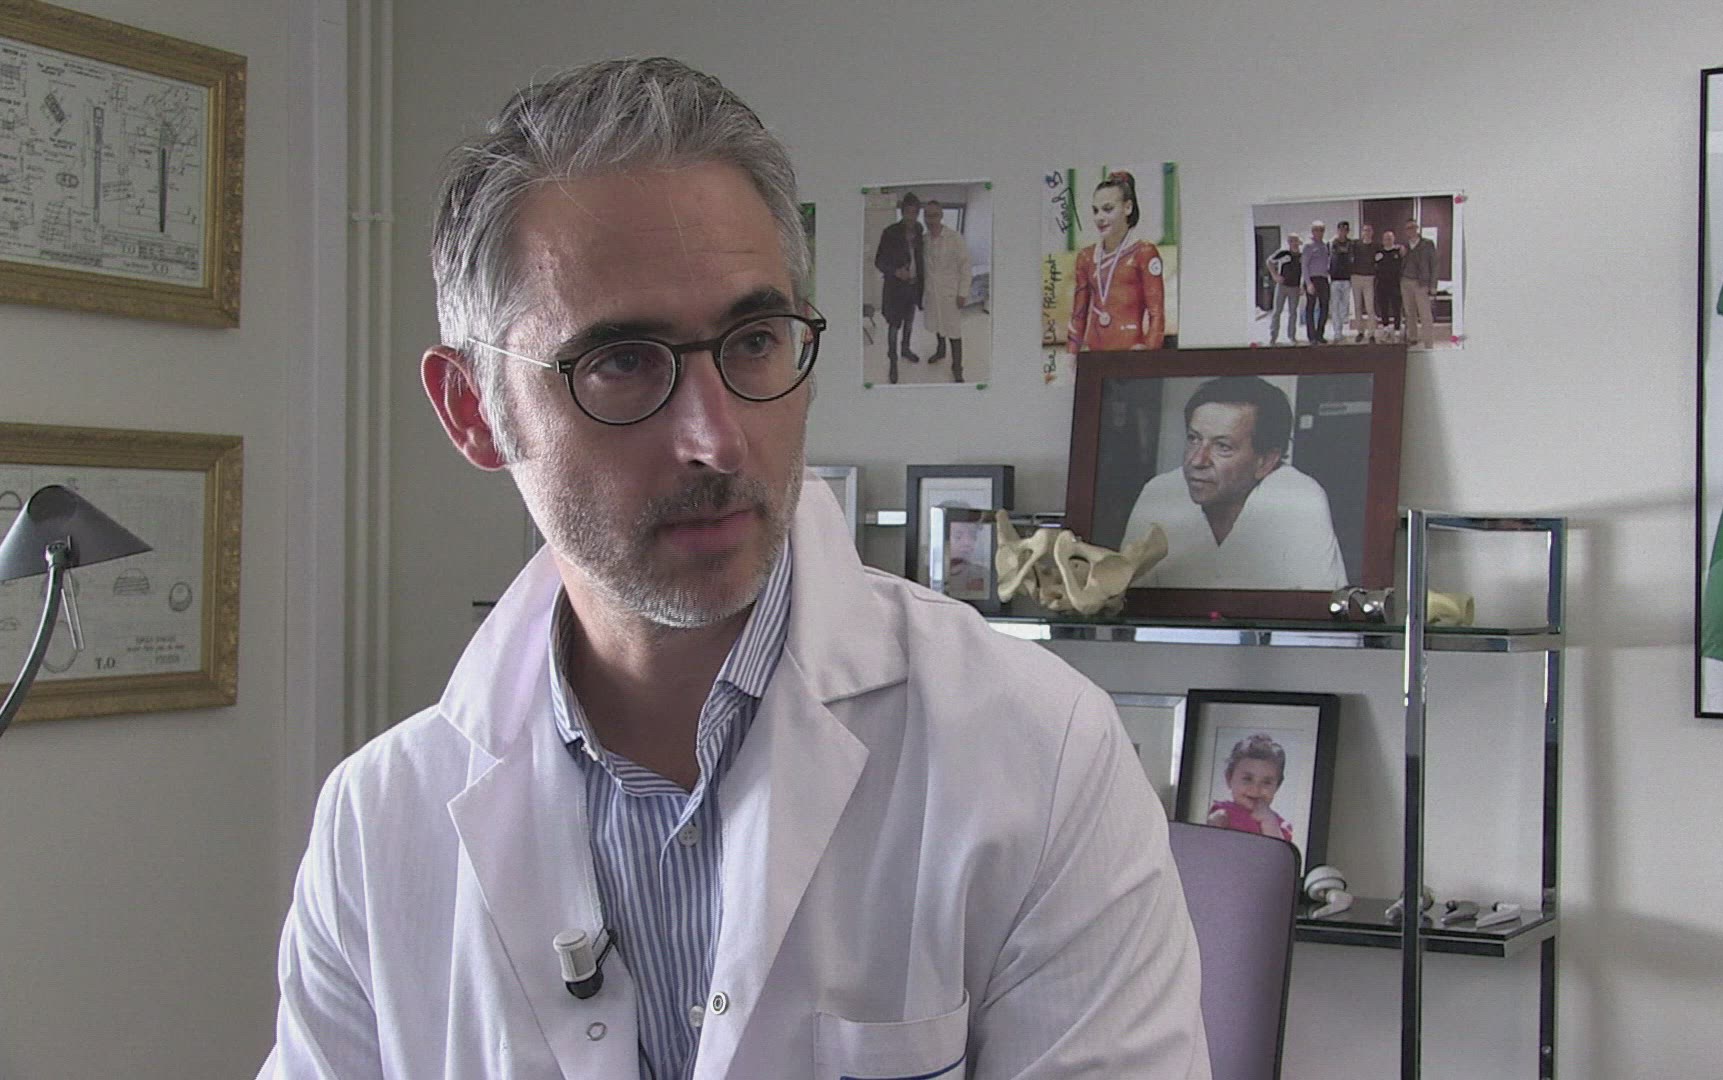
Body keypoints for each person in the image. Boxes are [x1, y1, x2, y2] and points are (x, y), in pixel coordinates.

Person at [260, 57, 1209, 1080]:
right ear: (473, 410)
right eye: (623, 362)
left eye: (753, 341)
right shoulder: (377, 829)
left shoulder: (1038, 755)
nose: (716, 440)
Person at [1122, 375, 1346, 590]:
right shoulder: (1159, 492)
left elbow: (1317, 608)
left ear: (1266, 461)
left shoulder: (1299, 498)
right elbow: (1125, 598)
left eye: (1223, 446)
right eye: (1193, 439)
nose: (1197, 460)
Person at [1068, 170, 1166, 354]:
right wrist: (1070, 358)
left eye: (1108, 209)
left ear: (1127, 208)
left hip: (1130, 353)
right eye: (1095, 210)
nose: (1099, 218)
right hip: (1095, 355)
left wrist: (1149, 354)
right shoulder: (1086, 257)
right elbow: (1078, 316)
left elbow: (1157, 313)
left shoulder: (1144, 253)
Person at [873, 191, 925, 380]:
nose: (911, 216)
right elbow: (879, 261)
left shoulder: (919, 230)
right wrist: (895, 271)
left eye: (915, 212)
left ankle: (905, 349)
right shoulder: (890, 232)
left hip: (913, 287)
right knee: (894, 325)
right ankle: (893, 361)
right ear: (902, 212)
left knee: (909, 322)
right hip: (895, 289)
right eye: (908, 212)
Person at [1205, 734, 1292, 842]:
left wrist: (1269, 823)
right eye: (1247, 779)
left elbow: (1278, 851)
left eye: (1266, 782)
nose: (1256, 789)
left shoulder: (1280, 826)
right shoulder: (1223, 814)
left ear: (1277, 786)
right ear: (1229, 779)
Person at [921, 199, 971, 382]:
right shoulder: (924, 239)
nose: (931, 219)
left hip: (950, 292)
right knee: (937, 323)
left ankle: (957, 367)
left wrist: (963, 293)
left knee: (953, 330)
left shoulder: (955, 238)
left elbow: (965, 267)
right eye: (927, 215)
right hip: (932, 292)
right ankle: (940, 351)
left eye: (934, 215)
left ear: (941, 215)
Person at [1401, 217, 1437, 348]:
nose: (1410, 230)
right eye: (1408, 228)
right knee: (1410, 313)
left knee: (1425, 314)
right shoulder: (1404, 246)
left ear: (1417, 228)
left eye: (1413, 227)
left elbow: (1434, 265)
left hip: (1421, 283)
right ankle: (1413, 337)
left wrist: (1433, 285)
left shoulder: (1427, 244)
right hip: (1406, 282)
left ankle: (1428, 342)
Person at [1265, 233, 1303, 345]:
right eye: (1291, 241)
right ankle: (1273, 337)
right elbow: (1269, 261)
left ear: (1298, 242)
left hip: (1295, 287)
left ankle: (1292, 336)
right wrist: (1275, 275)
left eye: (1295, 240)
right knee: (1277, 311)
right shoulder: (1283, 253)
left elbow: (1304, 271)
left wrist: (1302, 286)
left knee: (1293, 313)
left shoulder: (1302, 256)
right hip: (1282, 286)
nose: (1294, 243)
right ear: (1288, 242)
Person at [1300, 221, 1332, 344]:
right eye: (1317, 230)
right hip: (1312, 279)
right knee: (1311, 307)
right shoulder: (1308, 246)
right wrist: (1308, 283)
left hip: (1323, 279)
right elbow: (1304, 265)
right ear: (1312, 231)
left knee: (1325, 307)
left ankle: (1320, 334)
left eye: (1321, 230)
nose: (1319, 233)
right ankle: (1311, 336)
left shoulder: (1325, 246)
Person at [1348, 223, 1377, 343]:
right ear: (1362, 232)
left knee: (1370, 307)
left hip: (1369, 278)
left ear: (1372, 232)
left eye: (1369, 230)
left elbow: (1387, 250)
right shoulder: (1355, 244)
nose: (1367, 232)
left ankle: (1371, 333)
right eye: (1365, 230)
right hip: (1356, 277)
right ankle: (1360, 332)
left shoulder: (1376, 246)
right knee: (1357, 306)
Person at [1373, 229, 1404, 341]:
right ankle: (1385, 328)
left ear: (1394, 239)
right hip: (1382, 284)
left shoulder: (1399, 251)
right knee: (1383, 307)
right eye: (1386, 239)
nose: (1388, 240)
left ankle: (1397, 329)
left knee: (1396, 307)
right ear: (1383, 240)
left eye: (1390, 238)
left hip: (1395, 284)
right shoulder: (1378, 253)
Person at [1328, 221, 1354, 343]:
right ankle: (1337, 333)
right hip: (1335, 279)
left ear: (1348, 231)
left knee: (1345, 307)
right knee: (1335, 307)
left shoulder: (1351, 244)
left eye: (1345, 230)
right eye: (1341, 229)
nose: (1343, 232)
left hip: (1347, 279)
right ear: (1338, 230)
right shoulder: (1331, 243)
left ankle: (1342, 327)